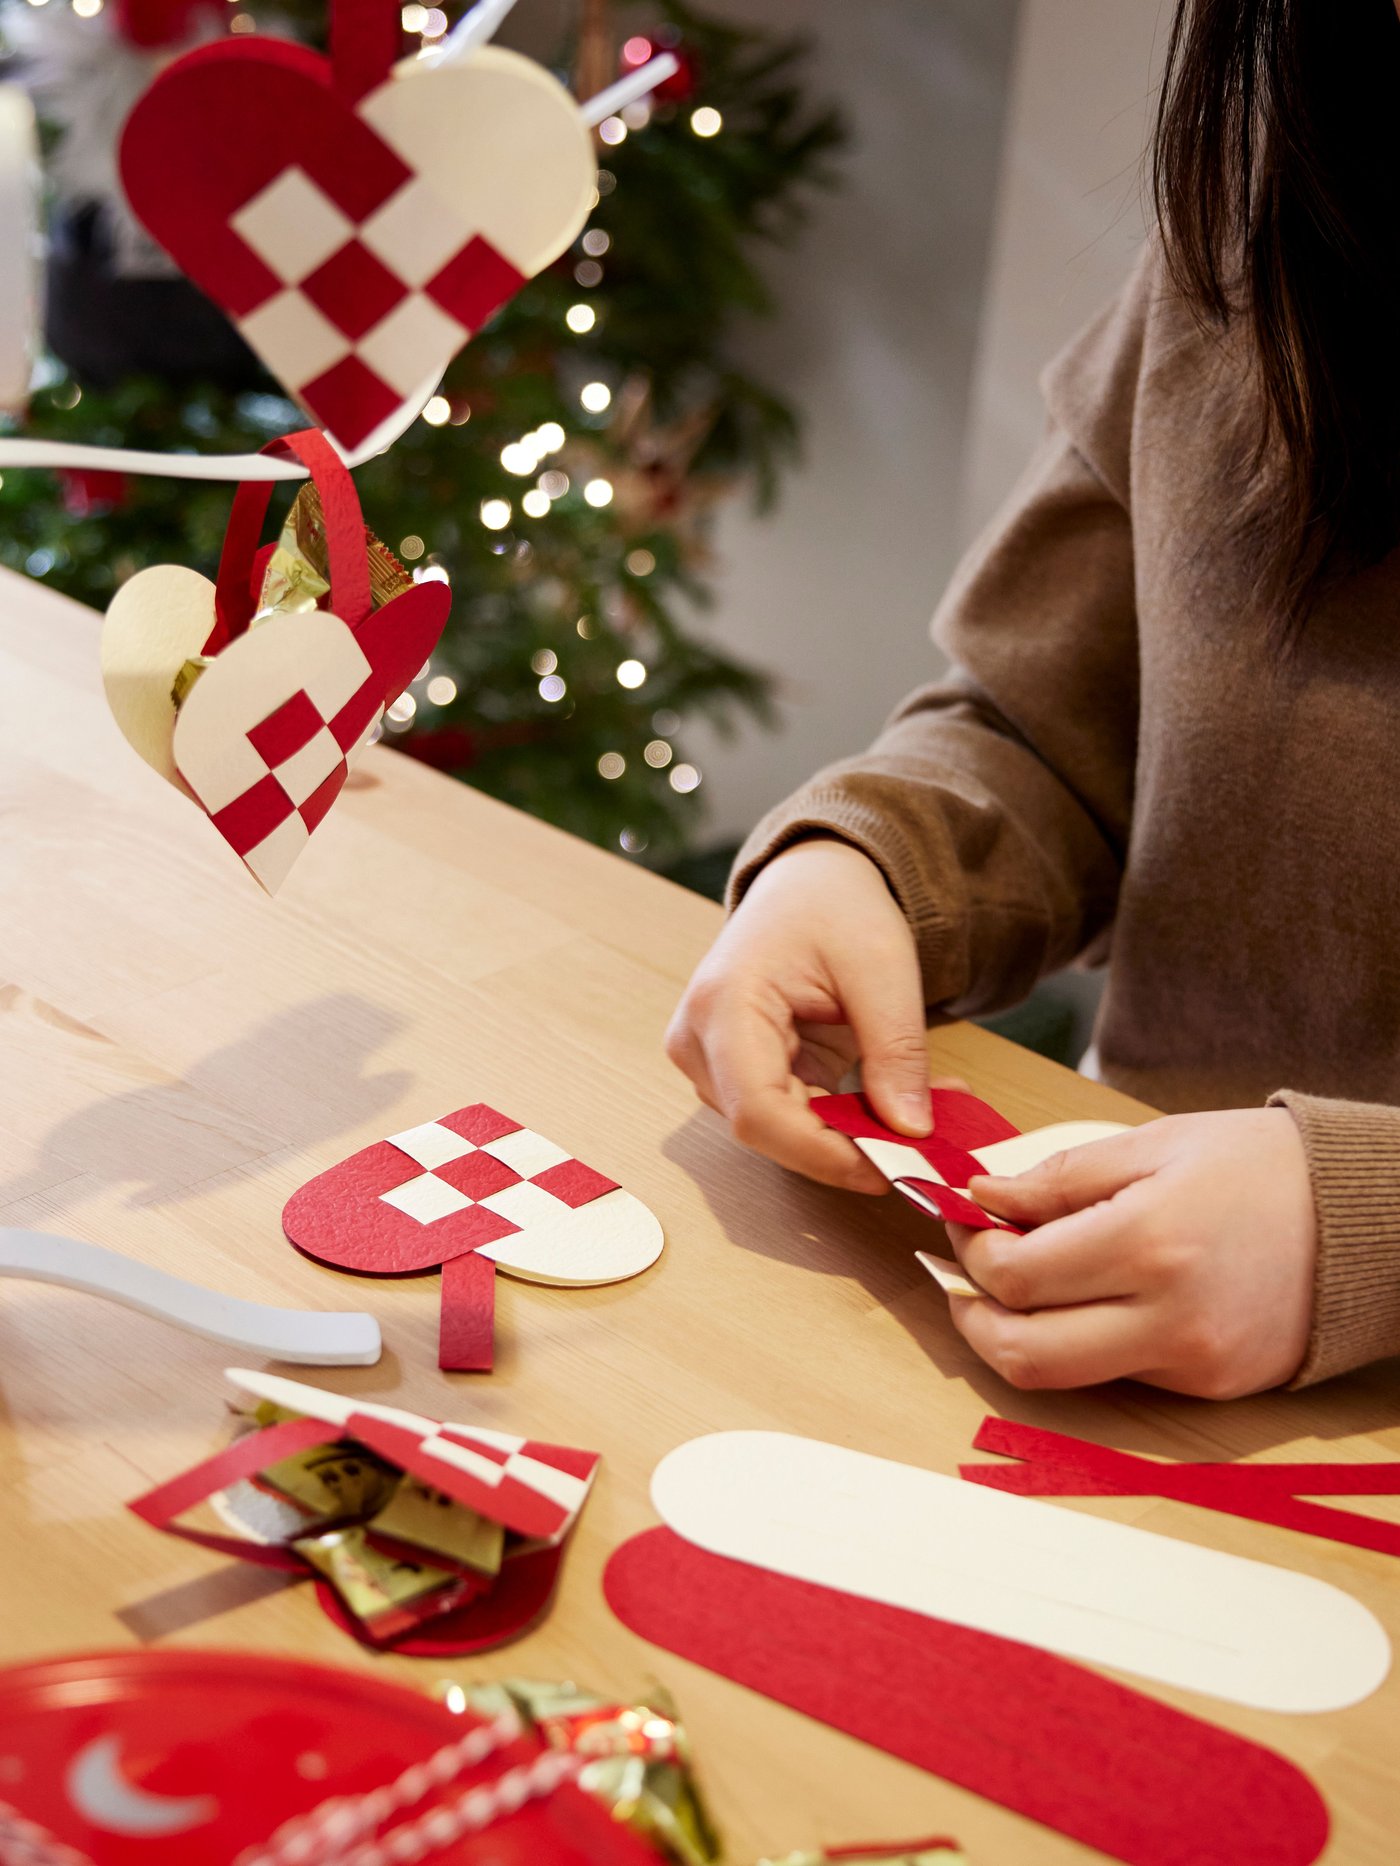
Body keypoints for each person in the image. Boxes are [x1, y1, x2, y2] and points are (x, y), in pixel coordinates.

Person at [665, 0, 1400, 1400]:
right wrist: (869, 863)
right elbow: (1052, 732)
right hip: (1116, 1351)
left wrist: (1361, 1225)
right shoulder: (1269, 216)